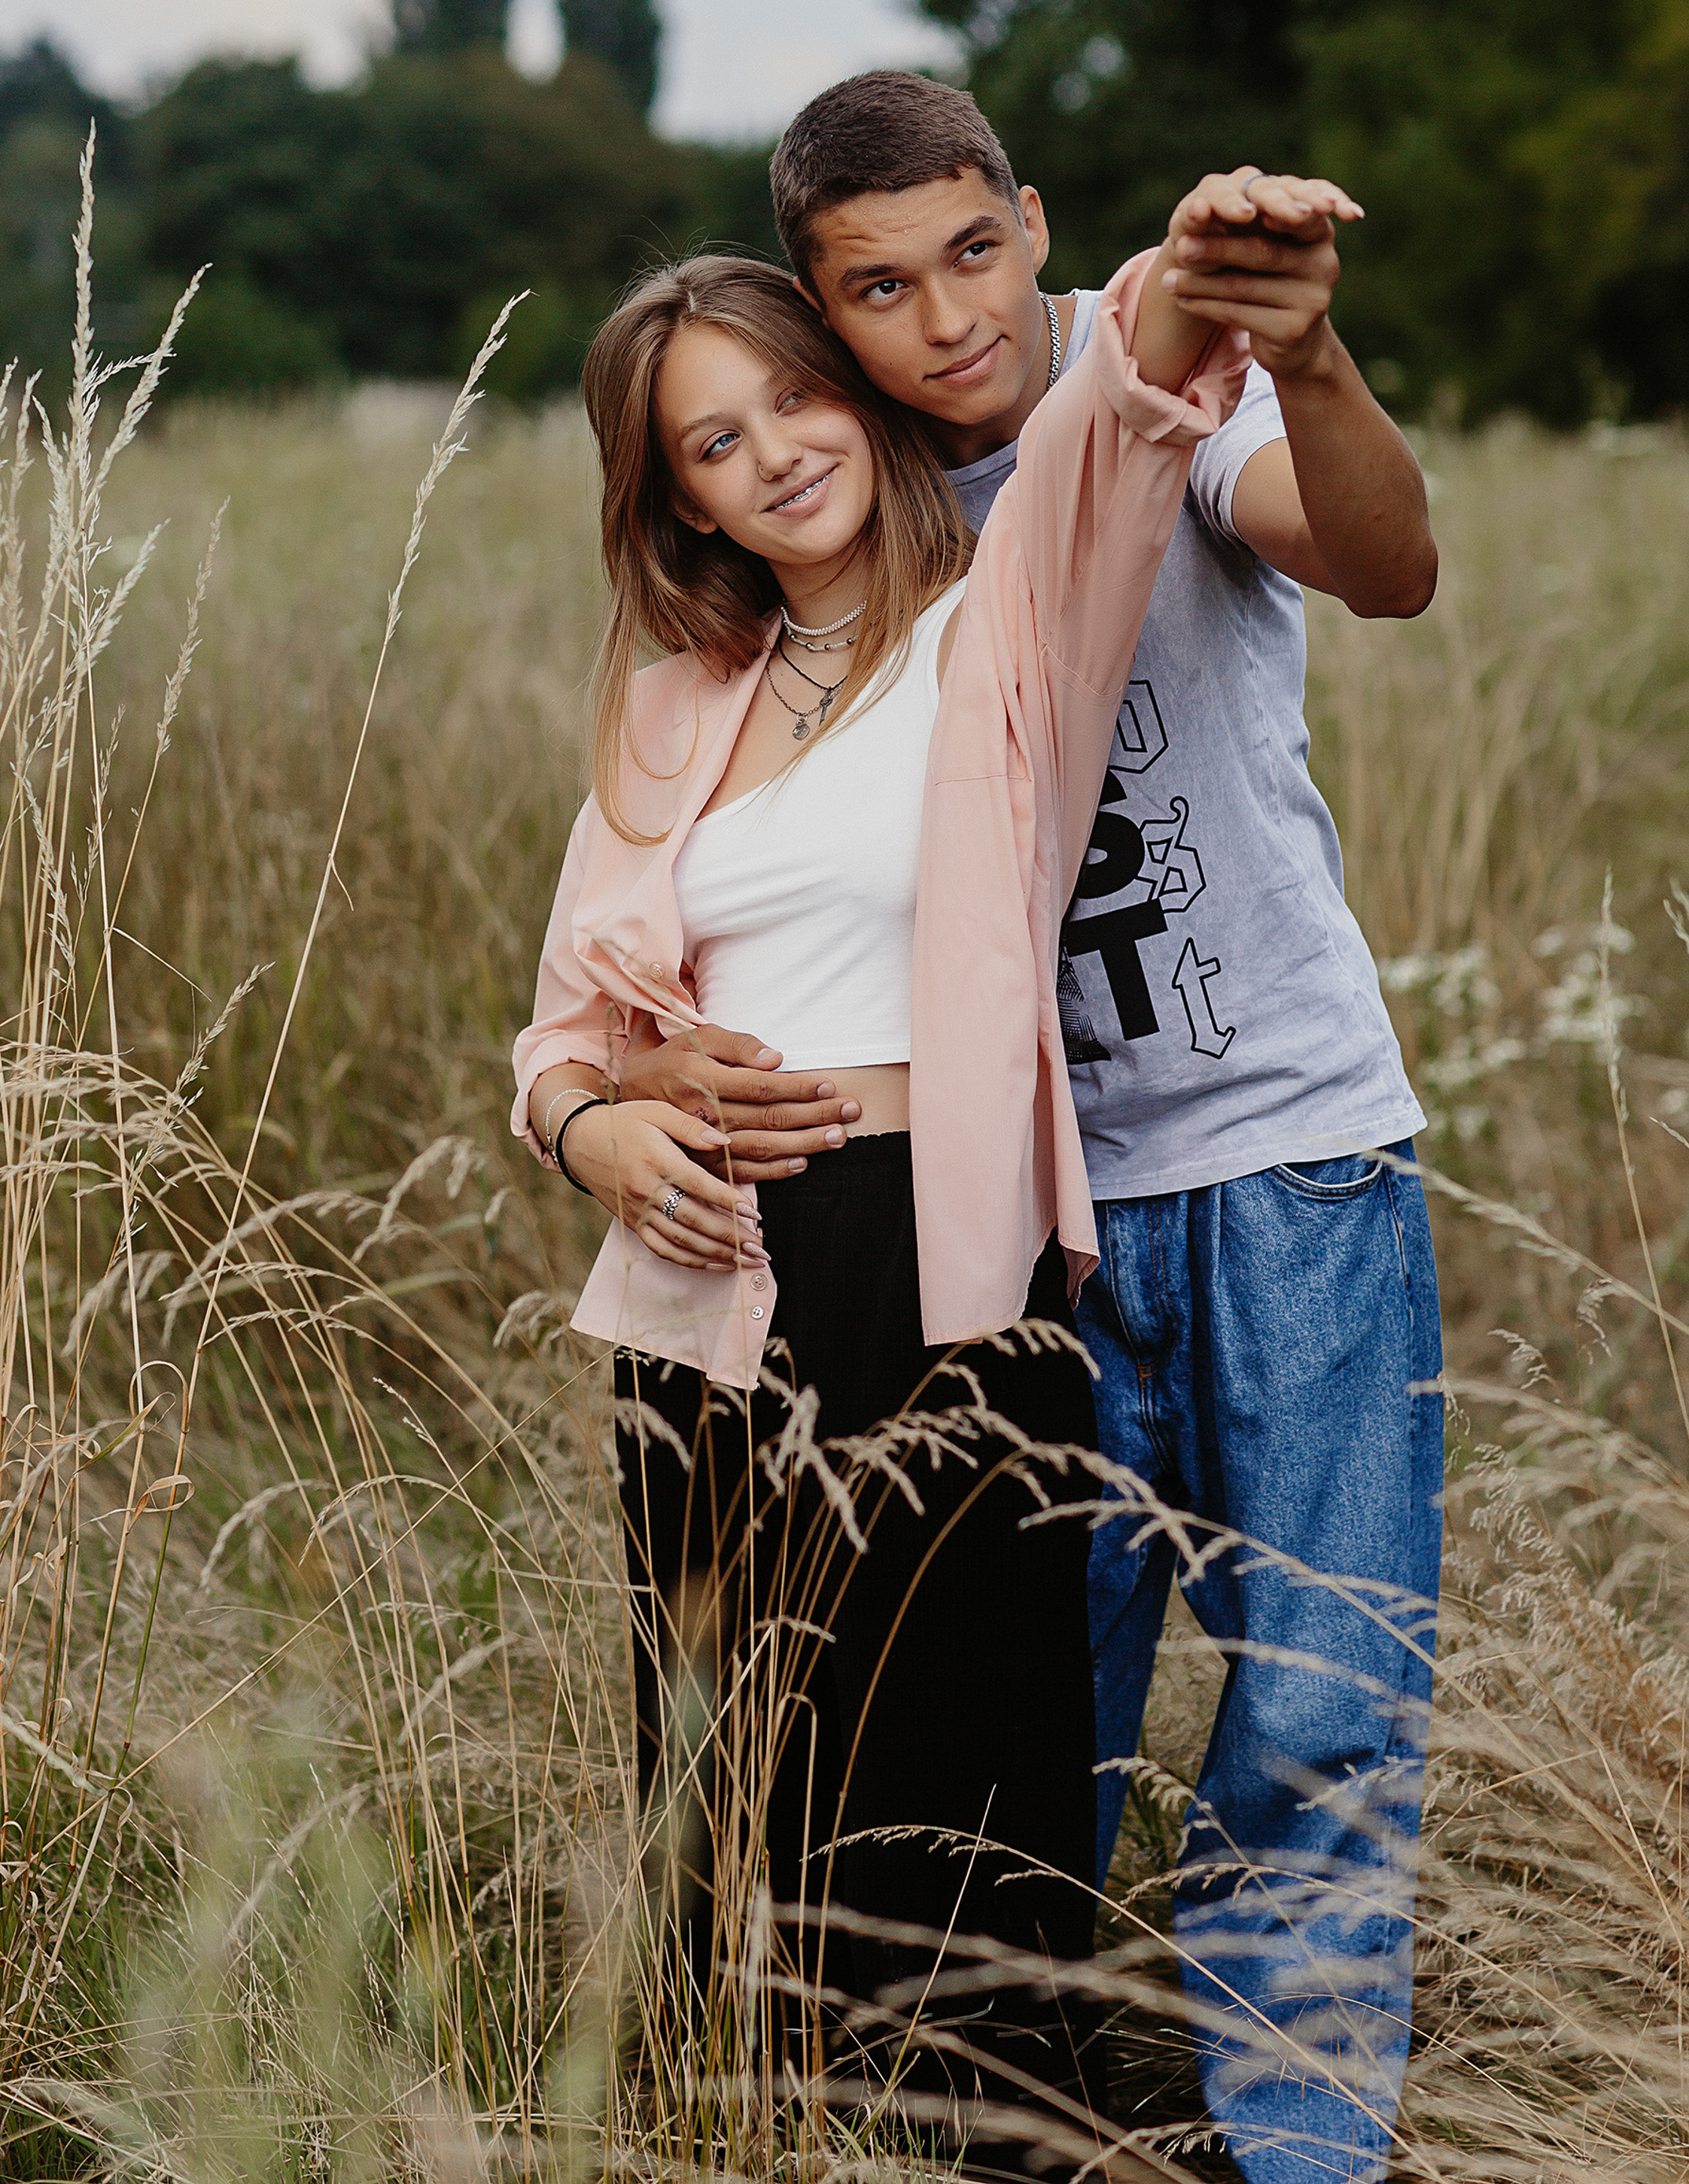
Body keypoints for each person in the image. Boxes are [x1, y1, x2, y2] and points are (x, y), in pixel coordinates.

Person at [742, 74, 1444, 2184]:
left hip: (1286, 1152)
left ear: (1030, 219)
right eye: (879, 286)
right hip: (1018, 1215)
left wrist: (1302, 347)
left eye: (974, 249)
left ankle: (1295, 2143)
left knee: (1322, 1683)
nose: (948, 317)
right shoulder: (834, 493)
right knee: (1036, 1712)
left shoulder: (1167, 373)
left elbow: (1383, 562)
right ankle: (1030, 2105)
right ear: (820, 305)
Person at [511, 235, 1256, 2165]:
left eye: (789, 394)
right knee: (721, 1757)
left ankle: (977, 2144)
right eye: (707, 444)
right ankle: (733, 2133)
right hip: (700, 1287)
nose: (766, 455)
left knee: (954, 1779)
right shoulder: (680, 705)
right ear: (671, 496)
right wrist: (599, 1129)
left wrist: (1191, 256)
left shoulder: (1004, 612)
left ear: (856, 380)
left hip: (937, 1263)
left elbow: (1119, 409)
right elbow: (560, 1038)